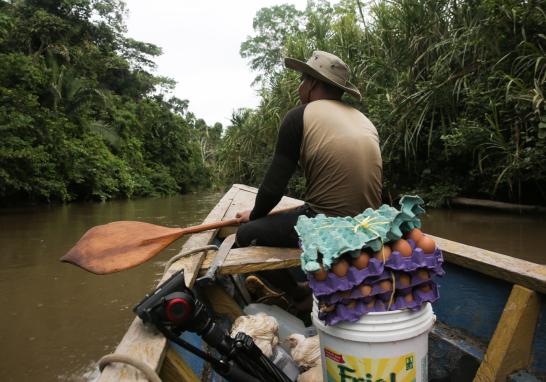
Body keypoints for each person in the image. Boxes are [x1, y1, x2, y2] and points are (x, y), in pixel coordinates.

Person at [235, 51, 383, 316]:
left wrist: (254, 218)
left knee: (247, 236)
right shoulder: (364, 120)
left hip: (328, 224)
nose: (299, 86)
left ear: (313, 84)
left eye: (302, 80)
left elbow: (273, 188)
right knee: (300, 213)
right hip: (369, 226)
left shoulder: (299, 116)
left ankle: (298, 294)